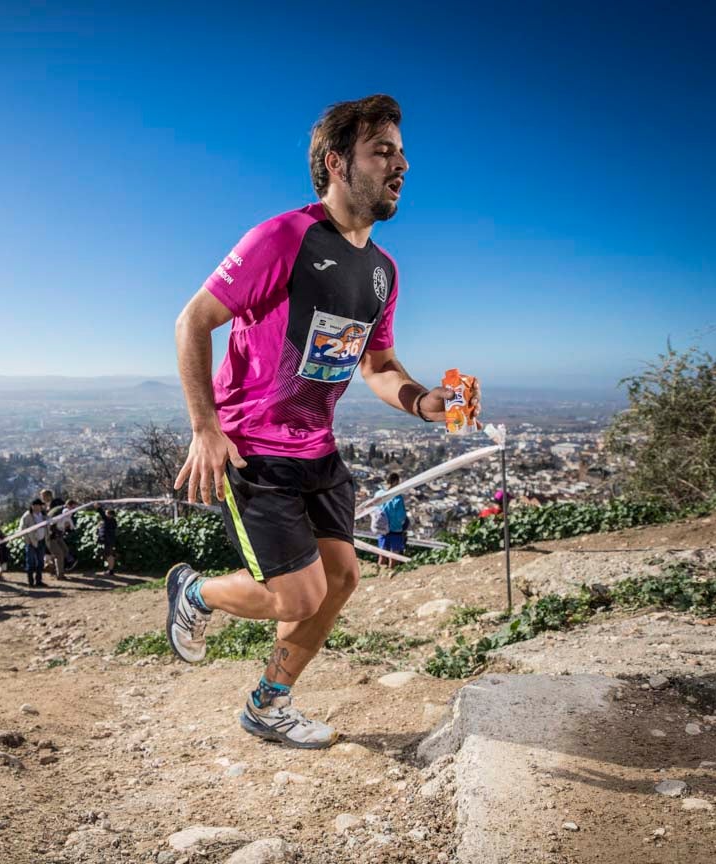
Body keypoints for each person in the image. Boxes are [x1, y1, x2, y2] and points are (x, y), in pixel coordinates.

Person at [164, 95, 481, 749]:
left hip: (317, 449)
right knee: (299, 596)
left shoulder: (384, 272)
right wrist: (205, 428)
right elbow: (193, 320)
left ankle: (267, 704)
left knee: (342, 578)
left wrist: (427, 403)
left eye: (400, 152)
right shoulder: (283, 238)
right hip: (251, 447)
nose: (403, 165)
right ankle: (194, 593)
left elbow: (380, 363)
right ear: (337, 163)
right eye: (383, 152)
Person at [374, 472, 408, 568]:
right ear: (395, 482)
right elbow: (401, 516)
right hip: (395, 529)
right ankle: (390, 576)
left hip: (382, 529)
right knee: (393, 556)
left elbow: (374, 509)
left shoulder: (378, 494)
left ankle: (378, 576)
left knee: (382, 555)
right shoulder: (397, 497)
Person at [19, 498, 49, 587]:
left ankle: (38, 580)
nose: (38, 508)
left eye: (39, 506)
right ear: (32, 506)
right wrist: (28, 541)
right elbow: (22, 530)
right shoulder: (27, 516)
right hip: (31, 543)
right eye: (36, 506)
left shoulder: (43, 515)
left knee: (40, 562)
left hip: (41, 541)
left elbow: (48, 524)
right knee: (30, 562)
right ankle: (30, 582)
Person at [45, 498, 76, 580]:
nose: (73, 510)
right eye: (73, 508)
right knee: (59, 554)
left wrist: (68, 527)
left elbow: (68, 525)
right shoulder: (57, 511)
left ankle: (51, 566)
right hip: (51, 536)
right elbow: (50, 523)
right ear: (68, 505)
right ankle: (60, 575)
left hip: (58, 535)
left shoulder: (67, 512)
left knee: (65, 550)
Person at [97, 508, 118, 577]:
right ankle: (110, 570)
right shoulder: (111, 521)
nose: (105, 515)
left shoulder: (110, 520)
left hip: (108, 541)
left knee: (110, 555)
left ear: (110, 515)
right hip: (108, 541)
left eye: (106, 514)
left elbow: (103, 515)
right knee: (108, 555)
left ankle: (111, 571)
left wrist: (98, 507)